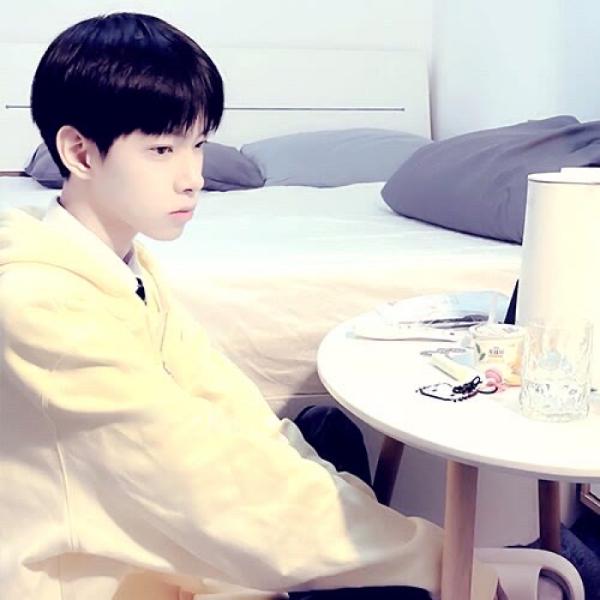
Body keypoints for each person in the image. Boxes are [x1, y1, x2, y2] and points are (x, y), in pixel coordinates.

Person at [0, 13, 501, 600]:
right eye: (161, 149)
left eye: (198, 145)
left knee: (320, 442)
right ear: (80, 153)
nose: (193, 178)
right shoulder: (40, 304)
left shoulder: (123, 262)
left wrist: (375, 525)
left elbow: (220, 396)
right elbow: (200, 483)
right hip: (92, 578)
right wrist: (441, 561)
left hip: (157, 544)